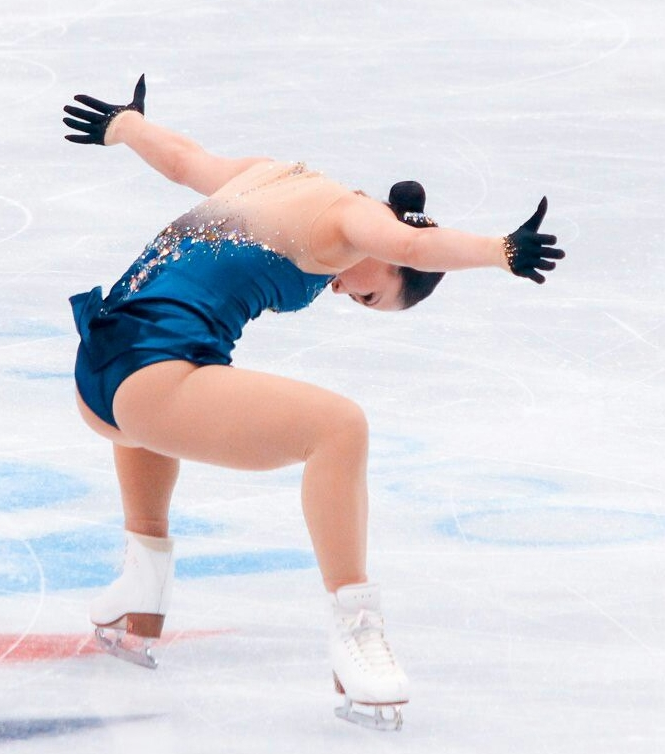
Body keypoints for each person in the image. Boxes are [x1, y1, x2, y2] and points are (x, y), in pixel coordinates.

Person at [62, 75, 565, 731]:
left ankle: (143, 581)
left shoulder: (272, 175)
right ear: (386, 257)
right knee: (339, 428)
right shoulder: (353, 221)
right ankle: (357, 634)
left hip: (102, 372)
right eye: (370, 296)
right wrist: (499, 251)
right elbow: (413, 246)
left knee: (192, 379)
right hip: (146, 381)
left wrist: (125, 125)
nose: (345, 295)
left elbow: (184, 161)